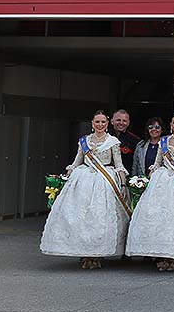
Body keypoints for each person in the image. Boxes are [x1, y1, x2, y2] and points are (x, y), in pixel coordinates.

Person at [39, 110, 130, 269]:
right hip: (83, 182)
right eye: (97, 122)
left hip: (105, 183)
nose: (100, 125)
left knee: (100, 218)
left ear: (107, 124)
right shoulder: (84, 141)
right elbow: (76, 162)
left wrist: (123, 185)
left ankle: (97, 253)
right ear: (92, 123)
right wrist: (64, 178)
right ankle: (84, 252)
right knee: (81, 218)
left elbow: (119, 165)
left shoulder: (113, 141)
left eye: (103, 122)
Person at [126, 112, 174, 271]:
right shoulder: (164, 141)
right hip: (162, 181)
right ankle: (162, 255)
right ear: (170, 125)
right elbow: (157, 163)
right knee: (159, 219)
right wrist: (151, 173)